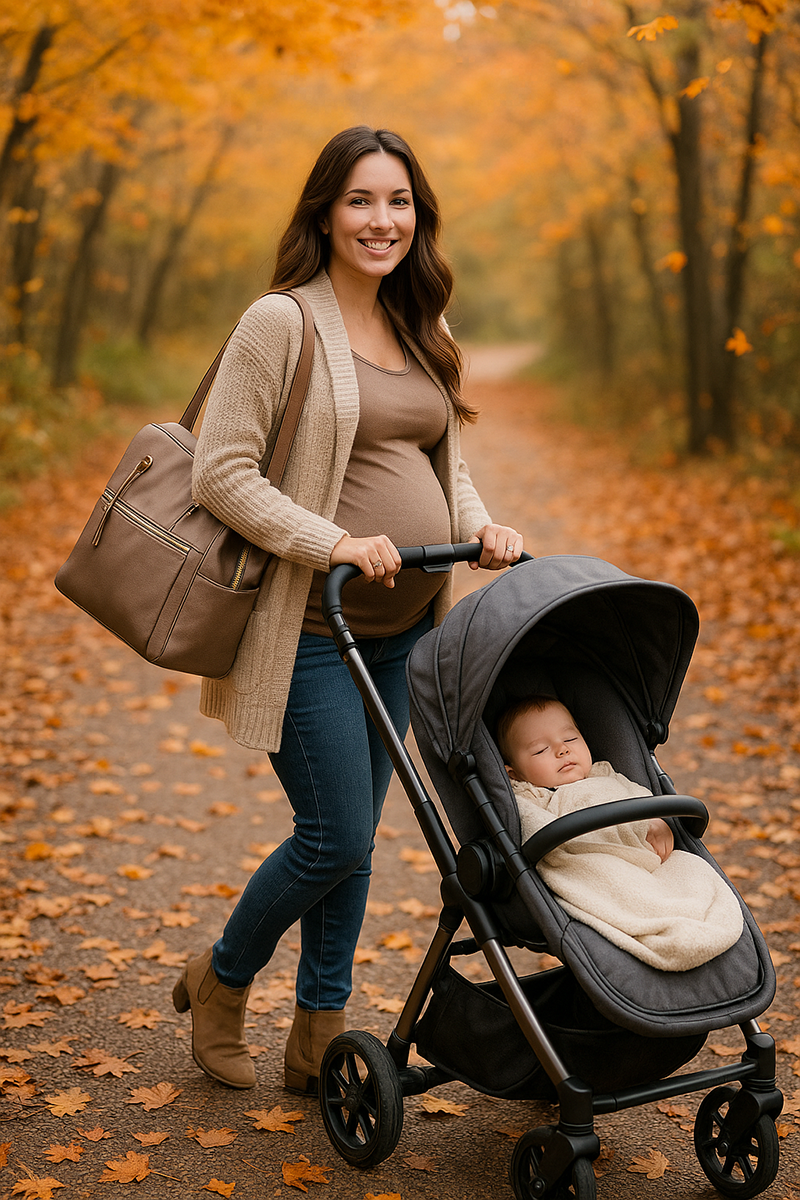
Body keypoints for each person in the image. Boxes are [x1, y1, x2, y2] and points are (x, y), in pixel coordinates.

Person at [172, 126, 523, 1093]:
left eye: (400, 201)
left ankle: (316, 1031)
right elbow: (221, 472)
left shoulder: (425, 327)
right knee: (338, 835)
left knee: (358, 832)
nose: (383, 220)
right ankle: (221, 980)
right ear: (325, 212)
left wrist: (484, 527)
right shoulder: (280, 321)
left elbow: (442, 466)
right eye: (362, 201)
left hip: (404, 634)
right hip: (312, 628)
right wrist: (330, 541)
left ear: (420, 216)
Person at [497, 696, 744, 972]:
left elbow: (641, 798)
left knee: (690, 869)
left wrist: (656, 821)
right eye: (541, 750)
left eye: (570, 739)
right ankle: (660, 924)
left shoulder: (605, 774)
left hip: (645, 860)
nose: (561, 751)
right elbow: (534, 831)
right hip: (591, 864)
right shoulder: (530, 796)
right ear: (514, 774)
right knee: (623, 888)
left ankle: (686, 917)